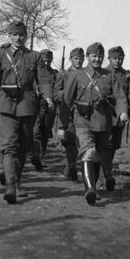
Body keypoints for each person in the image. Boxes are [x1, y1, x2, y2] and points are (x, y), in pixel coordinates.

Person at [0, 21, 53, 204]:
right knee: (10, 146)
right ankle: (10, 186)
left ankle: (17, 180)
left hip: (27, 105)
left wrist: (47, 96)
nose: (18, 38)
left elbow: (44, 79)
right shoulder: (0, 55)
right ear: (9, 36)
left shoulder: (35, 56)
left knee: (23, 145)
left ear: (26, 36)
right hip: (5, 105)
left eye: (21, 34)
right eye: (15, 35)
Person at [58, 42, 128, 205]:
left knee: (97, 155)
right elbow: (66, 101)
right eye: (94, 56)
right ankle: (90, 189)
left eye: (100, 56)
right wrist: (61, 125)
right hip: (83, 122)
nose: (97, 59)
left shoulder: (109, 76)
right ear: (88, 57)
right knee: (88, 152)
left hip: (104, 123)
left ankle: (94, 187)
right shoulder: (77, 75)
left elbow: (120, 97)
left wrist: (122, 111)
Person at [105, 46, 130, 175]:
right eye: (114, 58)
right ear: (109, 59)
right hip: (105, 114)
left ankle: (106, 167)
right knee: (106, 143)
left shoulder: (127, 75)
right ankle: (104, 170)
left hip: (121, 116)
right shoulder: (103, 73)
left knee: (115, 144)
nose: (117, 61)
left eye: (120, 58)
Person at [53, 47, 84, 181]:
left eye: (81, 58)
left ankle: (69, 168)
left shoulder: (86, 74)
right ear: (71, 59)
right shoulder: (63, 74)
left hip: (83, 112)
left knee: (81, 141)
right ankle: (72, 167)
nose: (79, 61)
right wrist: (66, 95)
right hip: (68, 111)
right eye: (76, 58)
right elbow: (56, 93)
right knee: (70, 139)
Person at [33, 49, 58, 163]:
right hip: (36, 105)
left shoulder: (55, 74)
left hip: (49, 107)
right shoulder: (35, 72)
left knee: (45, 131)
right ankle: (35, 153)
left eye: (48, 60)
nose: (46, 63)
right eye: (44, 60)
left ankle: (40, 156)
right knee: (36, 130)